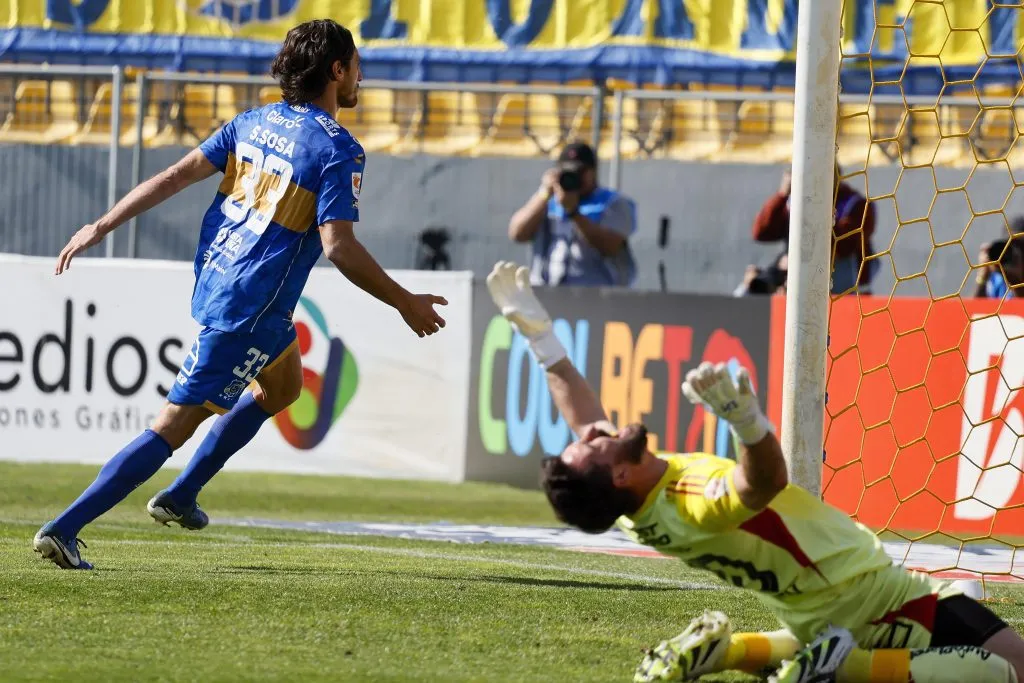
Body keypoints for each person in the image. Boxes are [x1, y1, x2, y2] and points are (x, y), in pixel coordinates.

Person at [485, 260, 1024, 683]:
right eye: (593, 447)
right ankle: (845, 669)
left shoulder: (629, 505)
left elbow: (581, 415)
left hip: (815, 608)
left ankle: (734, 650)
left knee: (868, 629)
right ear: (620, 475)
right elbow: (763, 482)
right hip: (870, 594)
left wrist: (541, 339)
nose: (592, 432)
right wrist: (746, 422)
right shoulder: (689, 500)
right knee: (1009, 670)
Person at [34, 19, 448, 570]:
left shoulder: (252, 122)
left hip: (226, 282)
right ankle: (64, 528)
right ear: (338, 70)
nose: (360, 80)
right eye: (357, 67)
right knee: (174, 425)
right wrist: (404, 301)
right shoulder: (337, 149)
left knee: (283, 387)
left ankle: (181, 497)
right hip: (249, 307)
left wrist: (101, 225)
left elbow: (176, 176)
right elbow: (339, 246)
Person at [507, 141, 637, 287]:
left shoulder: (613, 202)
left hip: (596, 295)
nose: (572, 177)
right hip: (547, 292)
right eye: (566, 171)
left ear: (592, 172)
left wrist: (573, 212)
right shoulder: (548, 200)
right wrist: (544, 193)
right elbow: (517, 233)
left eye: (579, 172)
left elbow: (610, 246)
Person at [741, 166, 877, 296]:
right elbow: (761, 233)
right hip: (795, 278)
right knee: (746, 290)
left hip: (840, 290)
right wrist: (782, 194)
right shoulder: (794, 201)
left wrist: (798, 259)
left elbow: (844, 246)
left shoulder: (855, 204)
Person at [975, 221, 1024, 299]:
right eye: (1009, 245)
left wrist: (1016, 282)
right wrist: (983, 278)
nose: (1016, 253)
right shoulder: (997, 280)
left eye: (1021, 247)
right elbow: (975, 310)